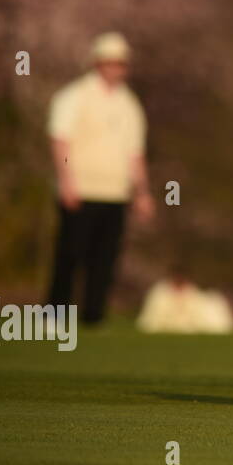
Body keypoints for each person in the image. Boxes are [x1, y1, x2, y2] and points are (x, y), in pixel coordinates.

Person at [46, 32, 154, 324]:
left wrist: (142, 192)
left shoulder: (129, 104)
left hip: (115, 193)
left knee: (105, 260)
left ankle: (94, 318)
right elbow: (61, 142)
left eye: (120, 63)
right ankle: (55, 316)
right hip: (81, 190)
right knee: (70, 256)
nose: (115, 69)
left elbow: (135, 154)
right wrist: (67, 180)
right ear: (97, 63)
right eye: (109, 62)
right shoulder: (73, 96)